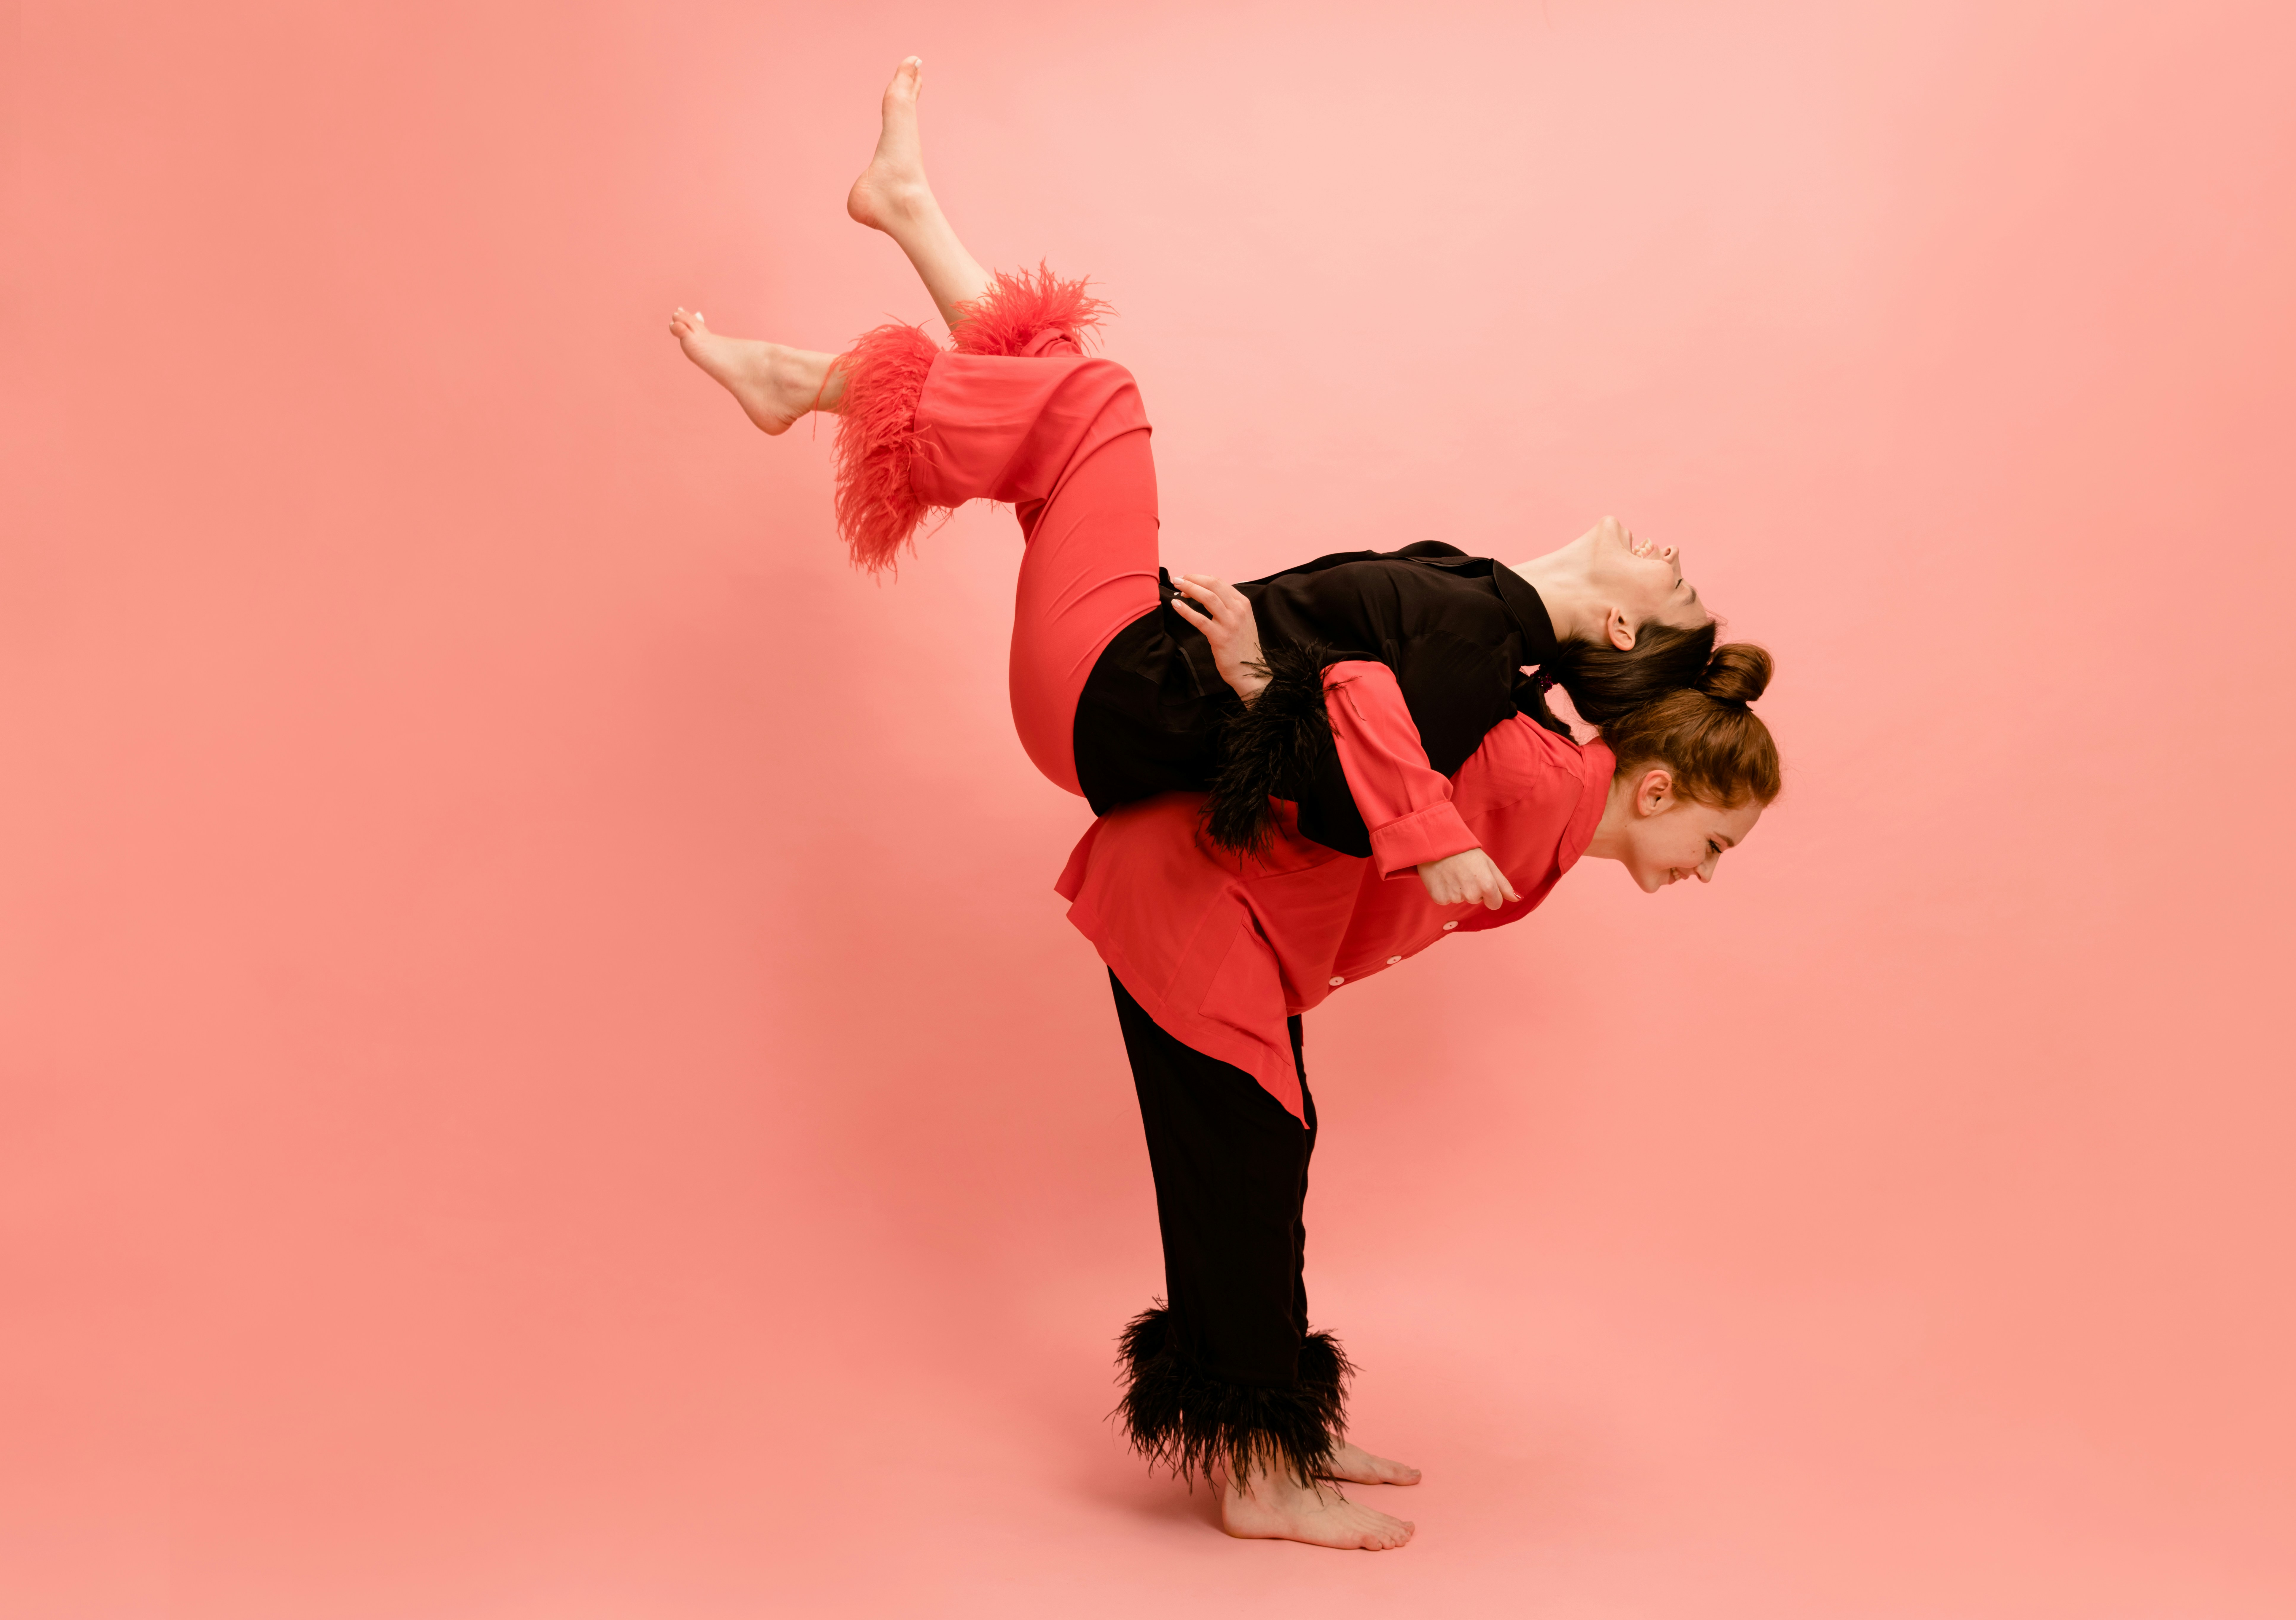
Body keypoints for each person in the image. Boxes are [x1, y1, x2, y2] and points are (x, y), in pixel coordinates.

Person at [670, 58, 1785, 1550]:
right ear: (1653, 767)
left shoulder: (1505, 677)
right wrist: (1390, 792)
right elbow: (1354, 745)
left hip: (1157, 794)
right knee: (1083, 406)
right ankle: (825, 365)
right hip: (1128, 736)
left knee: (1255, 1170)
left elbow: (1342, 738)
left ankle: (1281, 1434)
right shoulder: (1514, 724)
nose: (1702, 873)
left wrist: (1288, 684)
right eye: (1709, 844)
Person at [672, 57, 1723, 887]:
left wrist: (1263, 682)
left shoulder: (1481, 649)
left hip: (1117, 692)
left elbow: (1341, 805)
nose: (1670, 556)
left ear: (1622, 632)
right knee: (1060, 400)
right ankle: (906, 208)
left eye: (1672, 586)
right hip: (1122, 671)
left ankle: (807, 383)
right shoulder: (1478, 596)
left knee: (1097, 406)